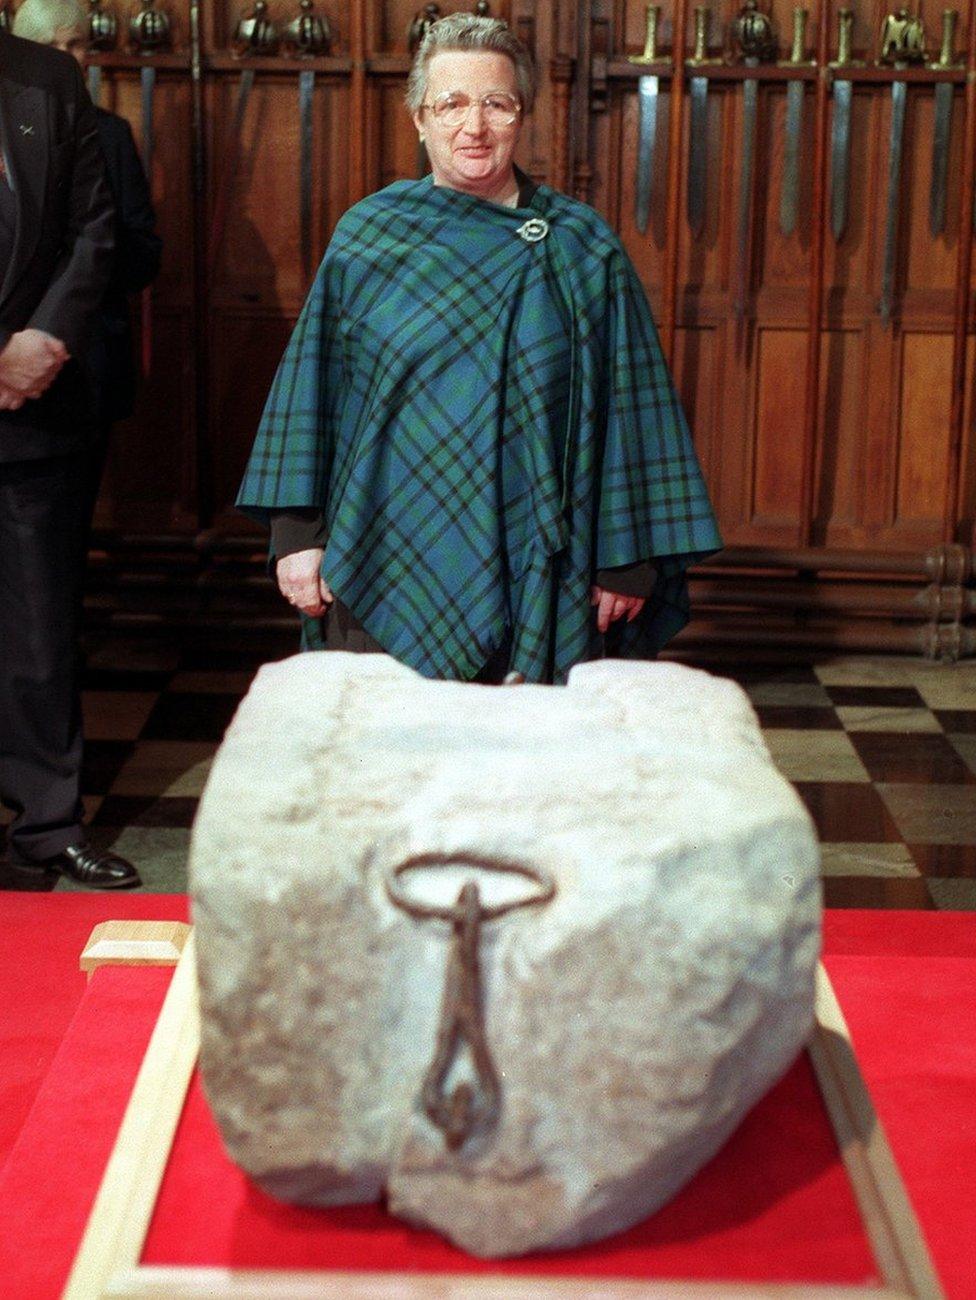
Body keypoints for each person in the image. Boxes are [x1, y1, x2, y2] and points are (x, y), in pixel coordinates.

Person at [238, 14, 721, 684]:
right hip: (380, 553)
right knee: (386, 770)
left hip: (540, 567)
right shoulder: (368, 238)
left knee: (519, 775)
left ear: (522, 116)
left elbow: (632, 410)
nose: (475, 126)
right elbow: (310, 394)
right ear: (418, 119)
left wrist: (627, 558)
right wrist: (295, 537)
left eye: (496, 104)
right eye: (453, 104)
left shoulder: (580, 247)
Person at [0, 24, 140, 886]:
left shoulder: (46, 78)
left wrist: (46, 335)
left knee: (40, 631)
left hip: (35, 405)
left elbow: (97, 226)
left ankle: (48, 824)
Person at [12, 0, 162, 559]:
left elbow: (142, 256)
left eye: (78, 45)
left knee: (61, 551)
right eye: (55, 46)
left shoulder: (108, 136)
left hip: (81, 367)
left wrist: (84, 244)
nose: (70, 58)